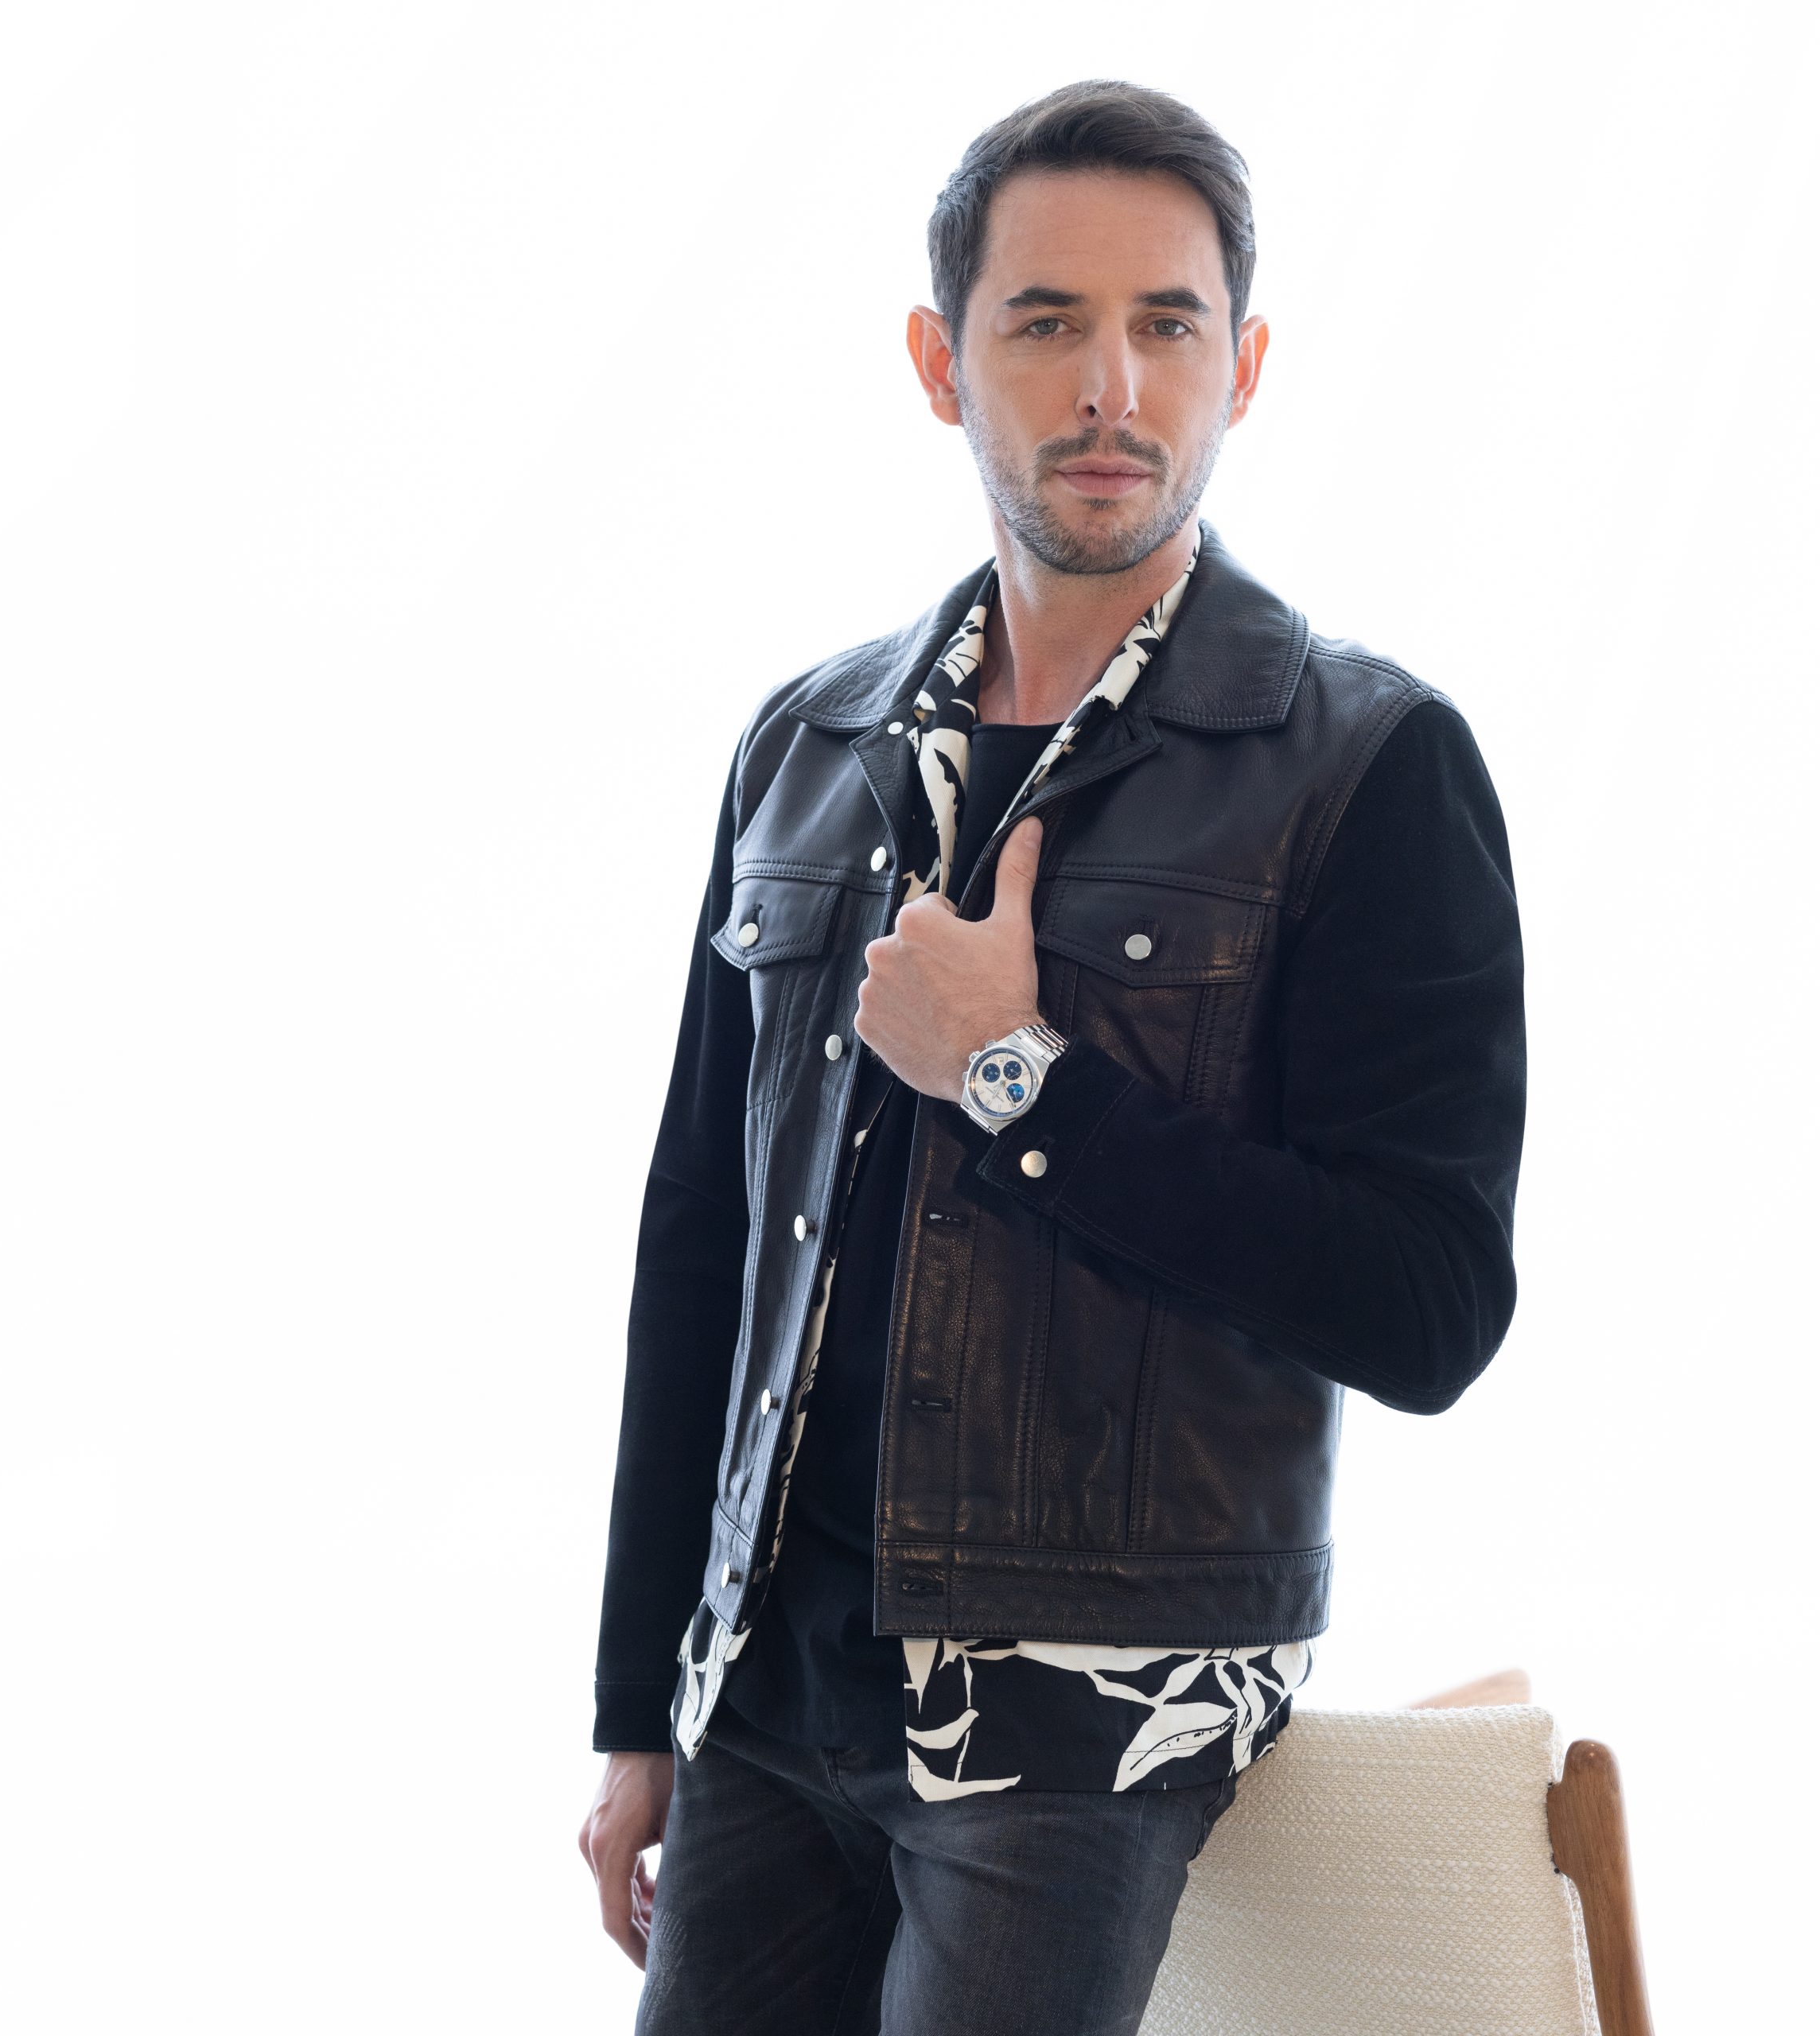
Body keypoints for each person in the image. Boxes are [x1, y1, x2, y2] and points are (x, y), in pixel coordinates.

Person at [578, 78, 1526, 2035]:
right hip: (766, 1686)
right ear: (941, 362)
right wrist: (636, 1697)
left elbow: (1426, 1305)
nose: (1111, 385)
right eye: (1044, 322)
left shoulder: (1362, 763)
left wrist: (1017, 1075)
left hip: (1088, 1709)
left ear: (1240, 366)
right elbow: (699, 1235)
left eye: (1166, 324)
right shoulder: (808, 747)